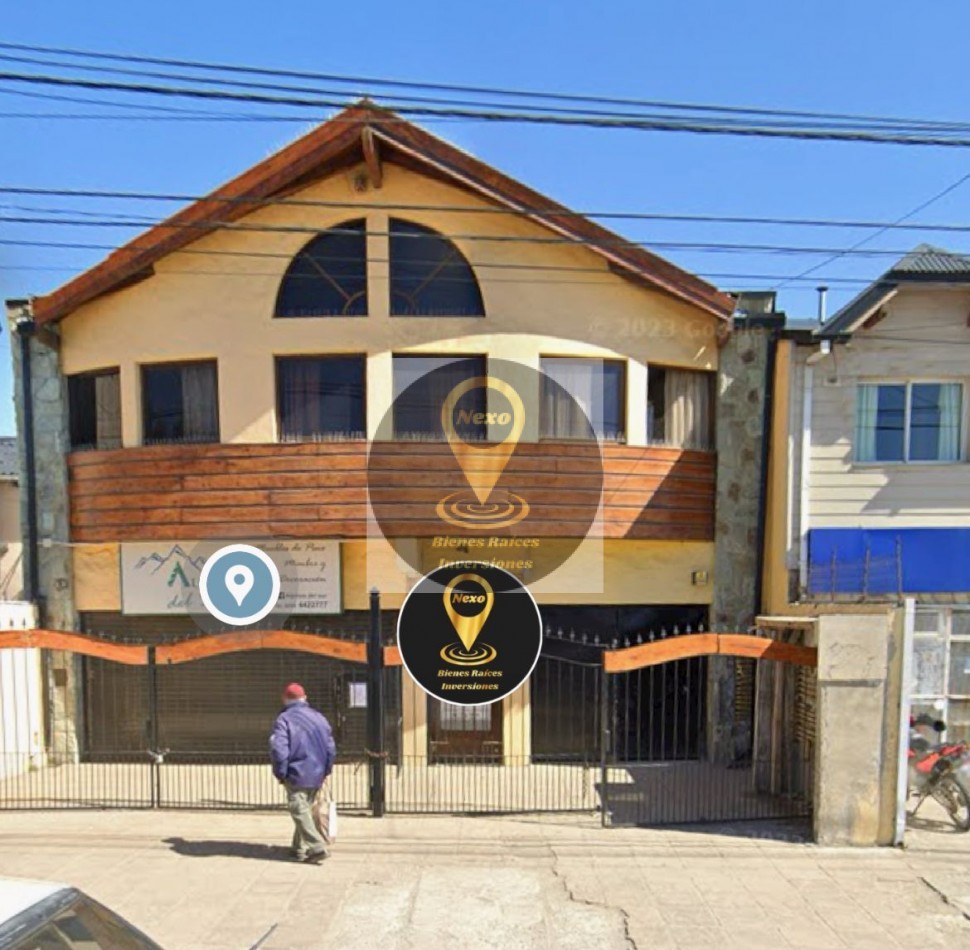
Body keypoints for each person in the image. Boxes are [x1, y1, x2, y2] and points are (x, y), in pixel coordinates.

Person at [269, 682, 336, 864]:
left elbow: (279, 749)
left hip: (296, 771)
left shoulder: (284, 719)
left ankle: (316, 847)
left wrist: (280, 772)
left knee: (299, 809)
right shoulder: (319, 718)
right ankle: (298, 848)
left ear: (285, 699)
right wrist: (326, 769)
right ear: (304, 698)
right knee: (304, 808)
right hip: (317, 771)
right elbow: (330, 748)